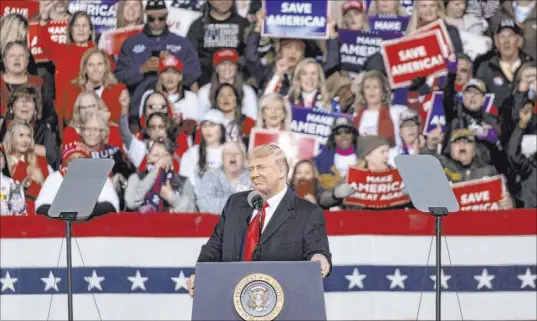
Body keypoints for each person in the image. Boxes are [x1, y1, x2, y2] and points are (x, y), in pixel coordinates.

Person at [187, 144, 332, 296]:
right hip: (232, 300)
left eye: (261, 168)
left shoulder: (307, 213)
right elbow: (214, 248)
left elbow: (317, 251)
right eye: (251, 169)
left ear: (281, 171)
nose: (254, 174)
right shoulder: (235, 204)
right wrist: (200, 274)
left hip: (283, 303)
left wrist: (319, 259)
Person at [114, 0, 201, 93]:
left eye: (161, 18)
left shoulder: (182, 43)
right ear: (145, 16)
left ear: (166, 16)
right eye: (151, 18)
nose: (156, 22)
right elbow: (119, 76)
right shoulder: (131, 43)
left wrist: (173, 64)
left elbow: (194, 73)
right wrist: (141, 69)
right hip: (140, 99)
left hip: (175, 99)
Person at [35, 141, 120, 217]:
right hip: (60, 227)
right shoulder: (56, 177)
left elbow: (111, 205)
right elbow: (41, 207)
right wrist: (67, 213)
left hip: (95, 227)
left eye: (80, 158)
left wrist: (86, 212)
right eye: (71, 159)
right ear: (65, 163)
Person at [124, 137, 196, 213]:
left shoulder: (183, 181)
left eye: (165, 155)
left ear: (171, 158)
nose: (161, 160)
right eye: (156, 155)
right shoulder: (136, 178)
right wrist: (154, 173)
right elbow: (131, 202)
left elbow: (190, 210)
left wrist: (170, 197)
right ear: (148, 158)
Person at [196, 141, 251, 214]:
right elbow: (203, 204)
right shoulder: (210, 176)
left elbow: (258, 204)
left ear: (244, 158)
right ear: (222, 159)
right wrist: (239, 204)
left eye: (237, 153)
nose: (232, 156)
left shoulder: (254, 176)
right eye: (228, 154)